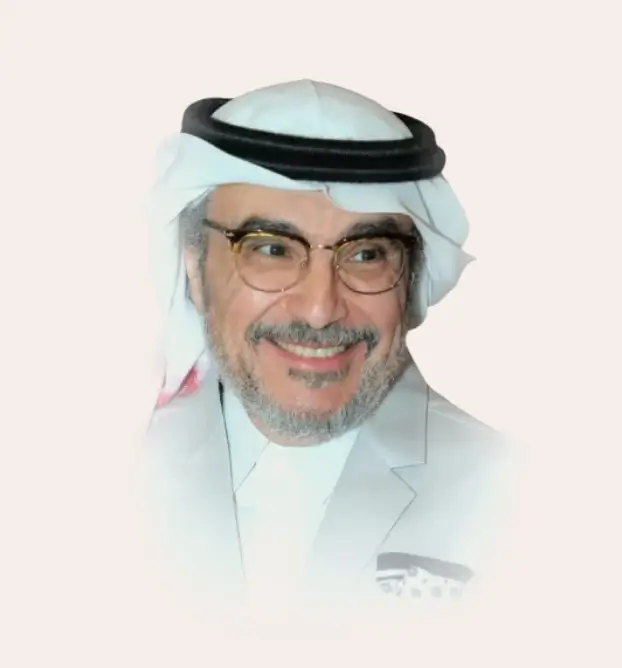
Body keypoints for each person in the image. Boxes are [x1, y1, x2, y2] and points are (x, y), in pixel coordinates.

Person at [141, 79, 518, 611]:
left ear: (410, 275)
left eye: (366, 254)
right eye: (271, 249)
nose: (320, 309)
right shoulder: (117, 474)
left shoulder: (512, 495)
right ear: (194, 269)